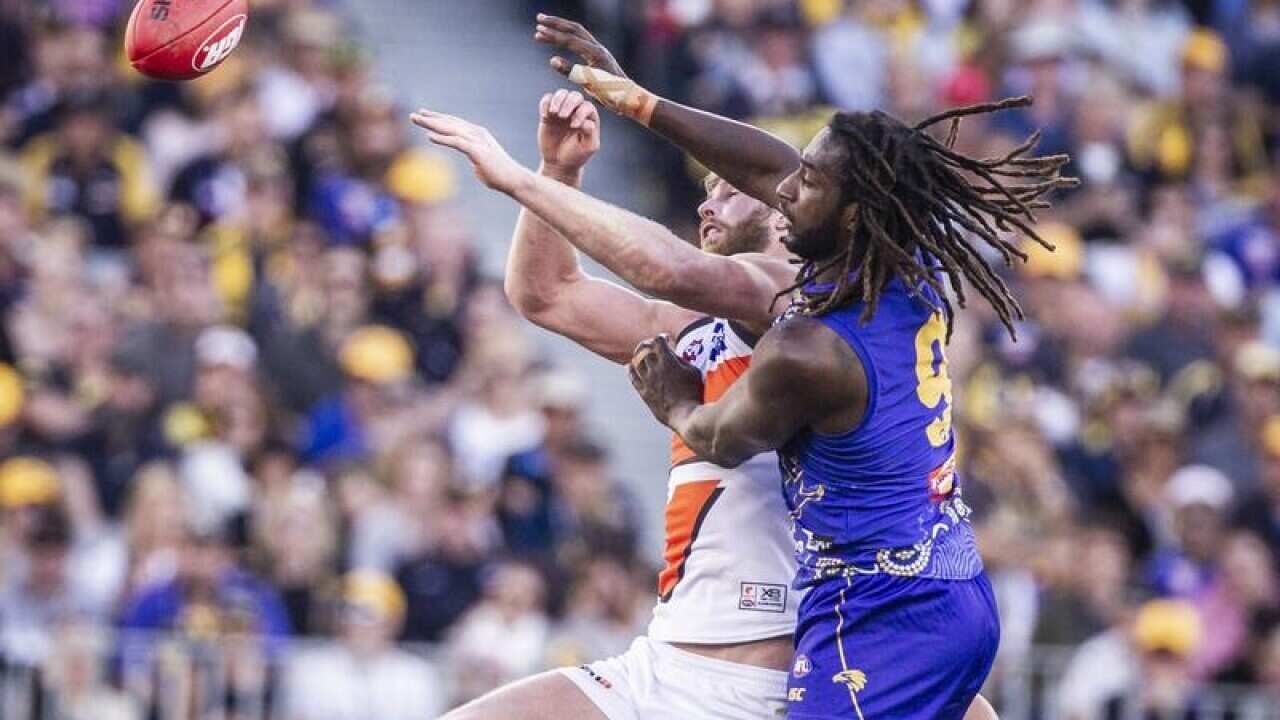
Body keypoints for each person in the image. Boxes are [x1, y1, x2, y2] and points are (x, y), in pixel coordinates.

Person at [414, 36, 1000, 720]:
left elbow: (676, 270)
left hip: (791, 672)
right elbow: (546, 295)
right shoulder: (718, 321)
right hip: (670, 665)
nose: (716, 197)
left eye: (735, 189)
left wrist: (519, 177)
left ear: (817, 217)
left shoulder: (800, 315)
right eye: (711, 185)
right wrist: (562, 171)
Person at [534, 15, 1072, 718]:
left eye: (808, 185)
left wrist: (671, 401)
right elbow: (764, 165)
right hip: (947, 588)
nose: (786, 190)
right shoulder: (899, 274)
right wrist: (637, 98)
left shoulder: (804, 336)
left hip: (874, 609)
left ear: (849, 215)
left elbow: (715, 421)